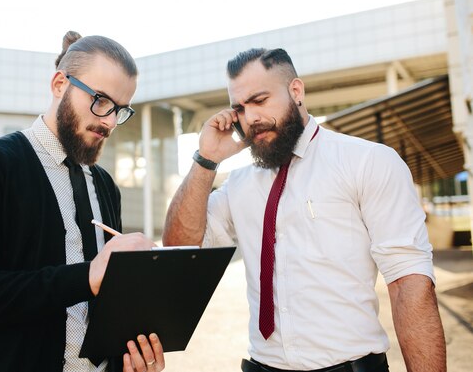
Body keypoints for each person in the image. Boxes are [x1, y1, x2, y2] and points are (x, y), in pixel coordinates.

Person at [163, 48, 446, 372]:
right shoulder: (238, 185)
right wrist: (206, 159)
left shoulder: (367, 162)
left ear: (296, 91)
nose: (250, 117)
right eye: (240, 108)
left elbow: (408, 283)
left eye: (260, 100)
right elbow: (179, 248)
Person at [0, 31, 165, 372]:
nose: (108, 121)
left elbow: (107, 305)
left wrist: (127, 359)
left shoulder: (105, 185)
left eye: (119, 110)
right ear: (60, 84)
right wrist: (85, 278)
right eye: (100, 100)